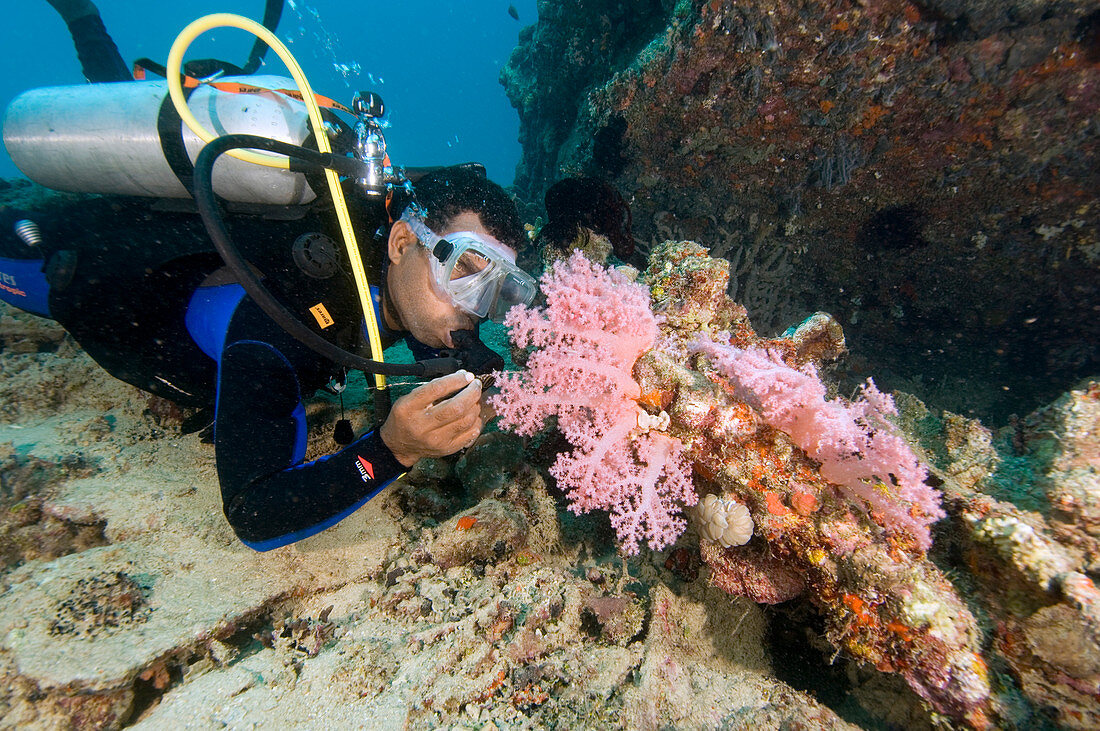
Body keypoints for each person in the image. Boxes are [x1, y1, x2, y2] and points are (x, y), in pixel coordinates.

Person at [1, 2, 532, 551]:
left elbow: (445, 343)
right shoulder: (289, 307)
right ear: (402, 243)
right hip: (81, 266)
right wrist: (392, 450)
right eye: (465, 270)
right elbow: (255, 511)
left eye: (498, 289)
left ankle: (84, 20)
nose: (474, 305)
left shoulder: (386, 269)